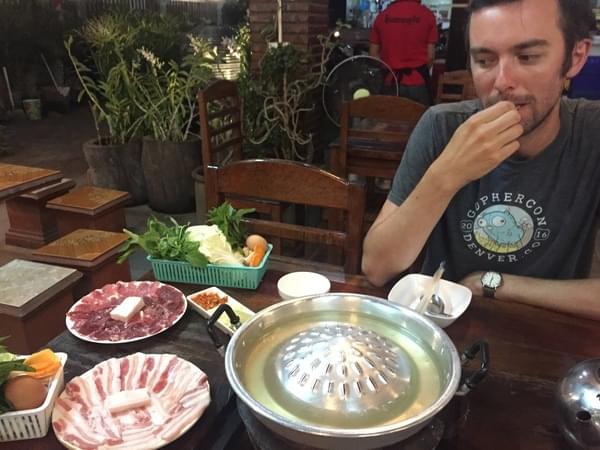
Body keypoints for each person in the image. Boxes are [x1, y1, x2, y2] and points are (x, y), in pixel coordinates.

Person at [362, 0, 600, 320]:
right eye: (485, 60)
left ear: (575, 57)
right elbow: (377, 267)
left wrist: (495, 284)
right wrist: (448, 173)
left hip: (547, 334)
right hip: (446, 329)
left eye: (527, 57)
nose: (502, 82)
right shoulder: (442, 126)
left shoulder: (591, 135)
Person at [369, 0, 438, 105]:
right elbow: (430, 57)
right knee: (420, 120)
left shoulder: (382, 16)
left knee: (389, 120)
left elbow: (373, 55)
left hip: (390, 82)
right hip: (418, 83)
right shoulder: (427, 15)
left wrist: (390, 66)